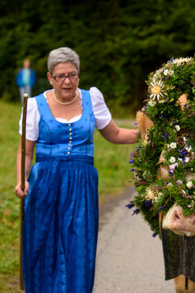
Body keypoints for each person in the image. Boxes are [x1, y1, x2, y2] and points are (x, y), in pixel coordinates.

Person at [14, 47, 139, 293]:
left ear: (79, 75)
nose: (67, 81)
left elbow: (114, 134)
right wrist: (21, 180)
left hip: (82, 184)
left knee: (79, 246)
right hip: (44, 184)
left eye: (72, 75)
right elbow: (25, 152)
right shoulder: (34, 106)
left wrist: (147, 134)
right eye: (61, 76)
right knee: (42, 244)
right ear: (50, 78)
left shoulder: (92, 99)